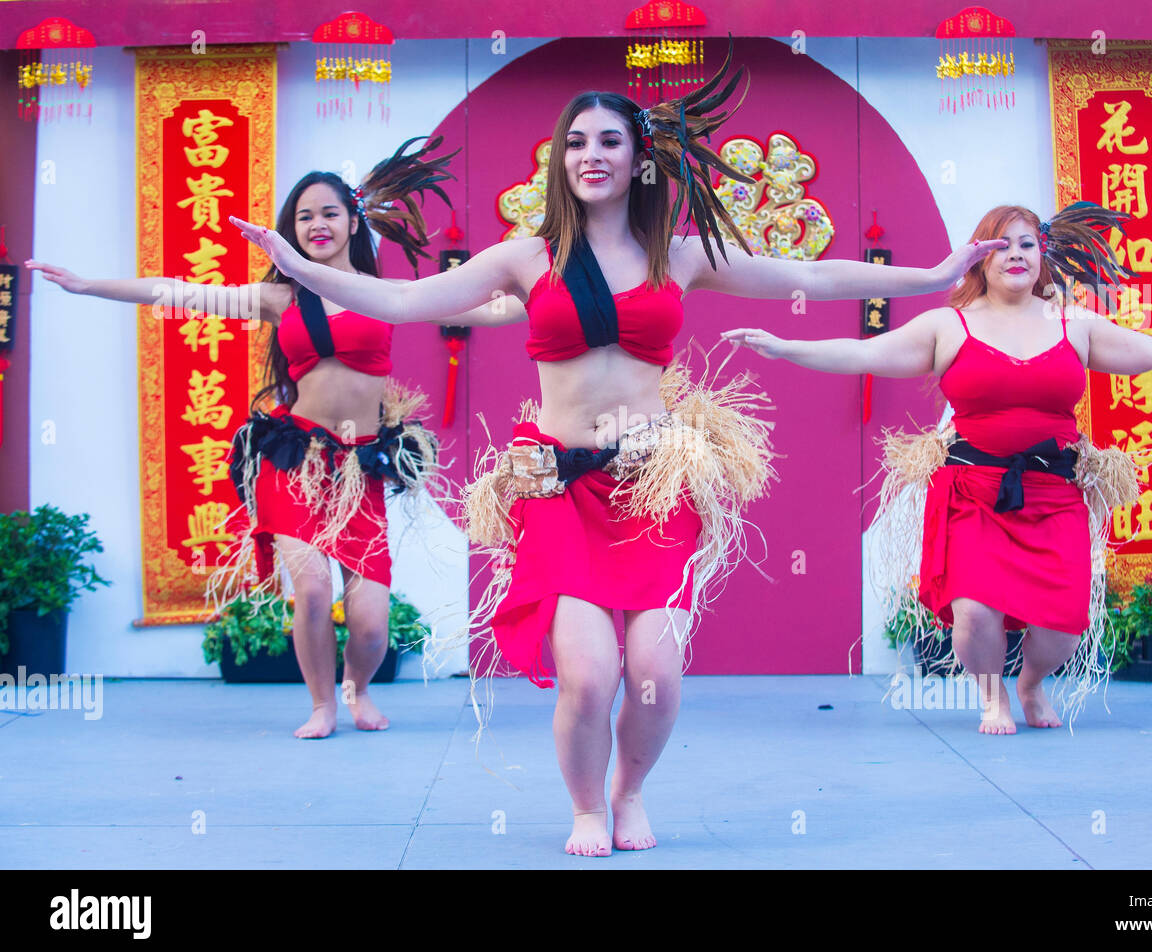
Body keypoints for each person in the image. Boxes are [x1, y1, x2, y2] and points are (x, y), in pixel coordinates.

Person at [230, 44, 1005, 855]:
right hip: (559, 484)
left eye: (607, 141)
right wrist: (293, 265)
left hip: (651, 483)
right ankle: (586, 808)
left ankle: (629, 789)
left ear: (637, 158)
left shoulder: (678, 253)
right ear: (559, 160)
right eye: (574, 142)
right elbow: (401, 297)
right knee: (590, 673)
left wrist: (935, 271)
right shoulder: (525, 258)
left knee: (656, 674)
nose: (590, 155)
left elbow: (800, 275)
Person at [724, 203, 1152, 735]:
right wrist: (785, 345)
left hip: (1054, 491)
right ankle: (991, 691)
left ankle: (1030, 683)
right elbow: (864, 354)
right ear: (980, 258)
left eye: (1026, 243)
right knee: (974, 610)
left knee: (1063, 629)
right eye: (1001, 245)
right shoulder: (948, 325)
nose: (1015, 254)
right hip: (974, 490)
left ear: (1042, 254)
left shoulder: (1075, 324)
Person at [27, 134, 512, 740]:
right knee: (309, 588)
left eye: (329, 213)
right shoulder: (279, 299)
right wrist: (87, 284)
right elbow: (175, 292)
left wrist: (545, 292)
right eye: (303, 216)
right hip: (295, 456)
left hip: (360, 466)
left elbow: (486, 308)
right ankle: (321, 706)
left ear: (353, 220)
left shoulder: (386, 294)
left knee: (370, 625)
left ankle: (355, 688)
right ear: (289, 229)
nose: (316, 224)